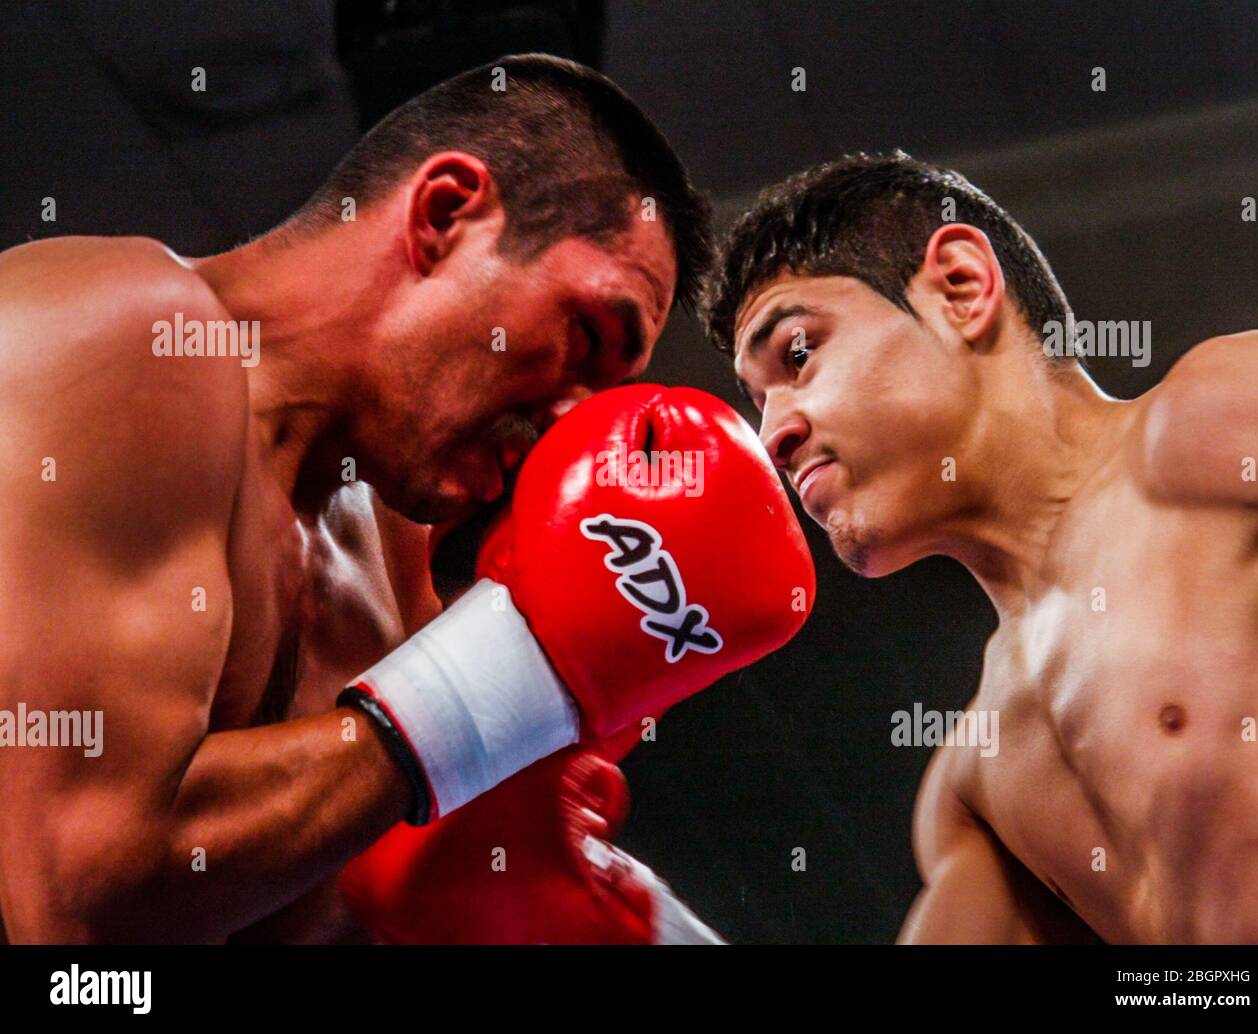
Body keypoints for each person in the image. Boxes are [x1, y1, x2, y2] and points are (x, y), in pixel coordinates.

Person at [0, 54, 815, 943]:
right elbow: (79, 912)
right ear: (445, 214)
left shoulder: (401, 564)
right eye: (585, 333)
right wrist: (512, 671)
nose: (568, 424)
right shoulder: (129, 332)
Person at [710, 150, 1258, 944]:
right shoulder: (974, 785)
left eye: (799, 355)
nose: (771, 431)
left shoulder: (1219, 422)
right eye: (756, 400)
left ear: (959, 287)